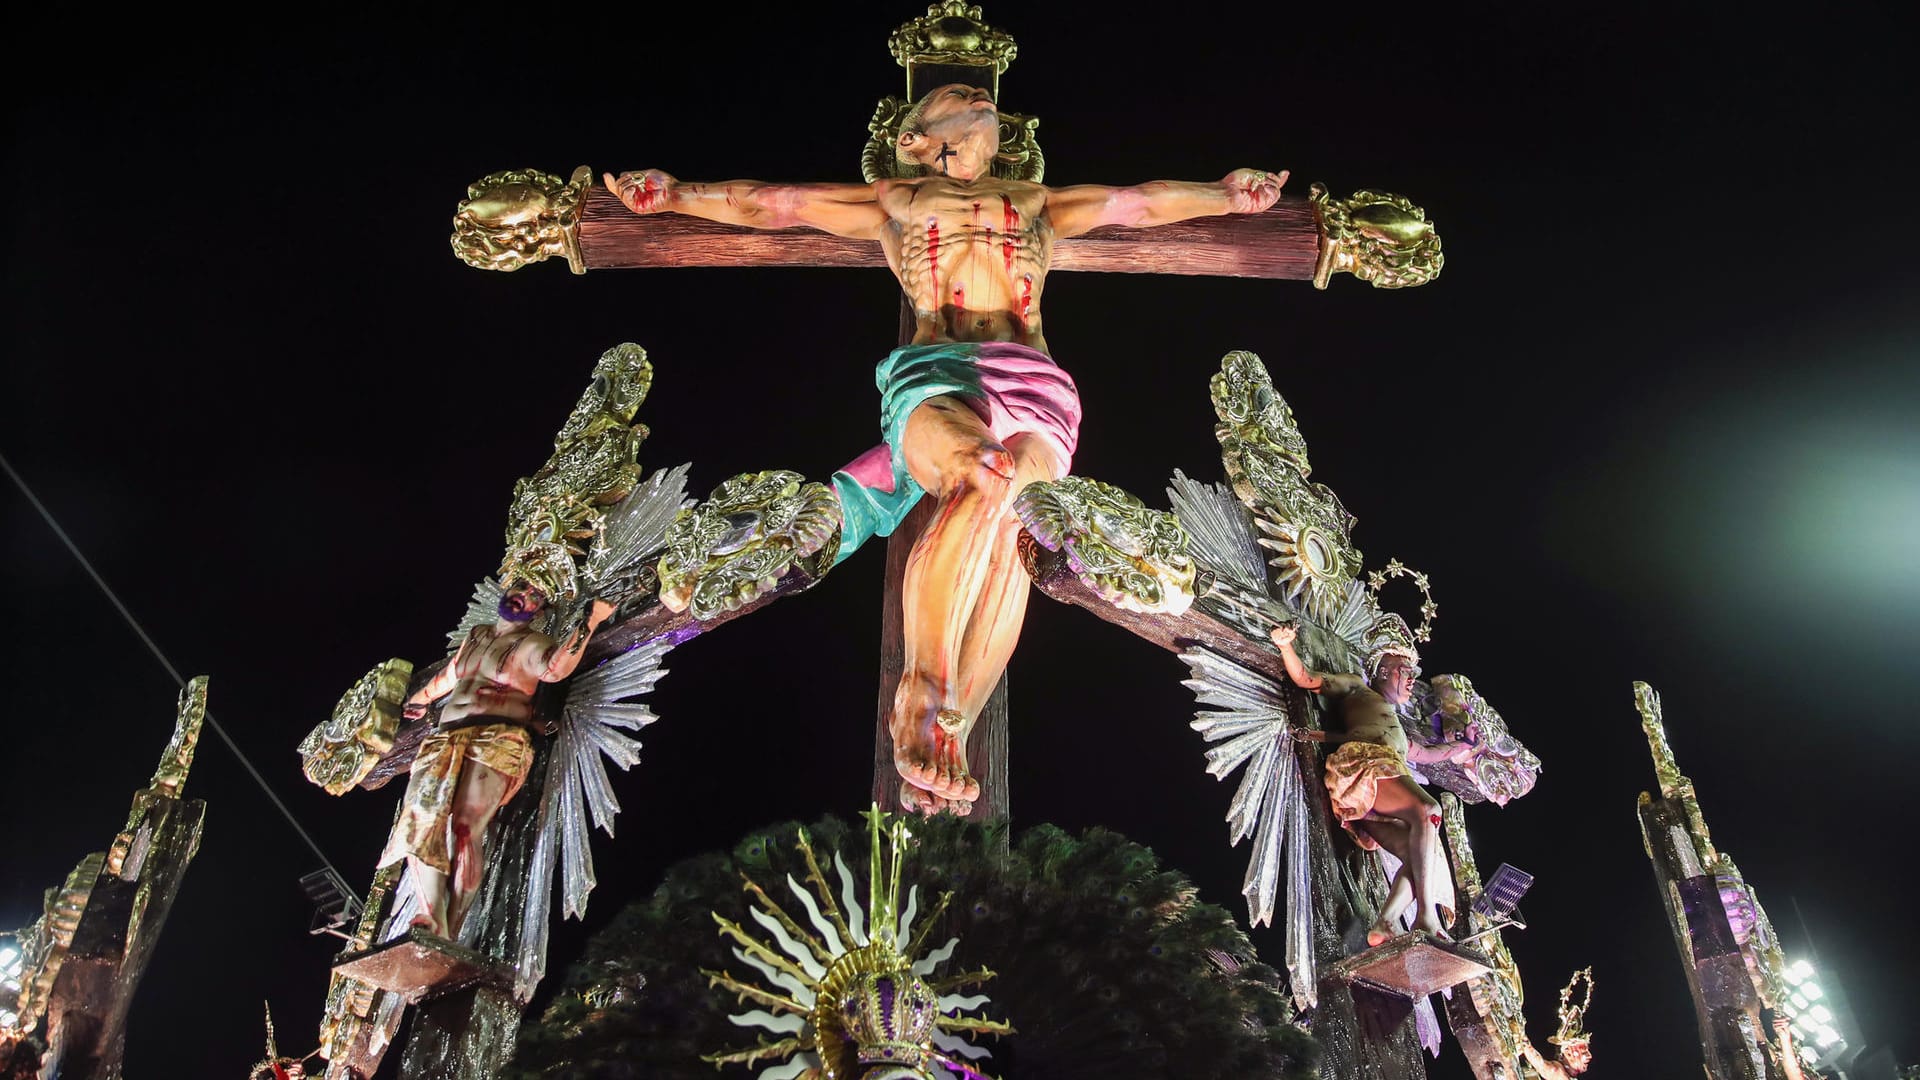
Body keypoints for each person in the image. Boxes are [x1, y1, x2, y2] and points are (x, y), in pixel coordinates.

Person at [606, 82, 1287, 815]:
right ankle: (924, 688)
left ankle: (957, 713)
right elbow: (769, 203)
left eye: (977, 91)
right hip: (939, 374)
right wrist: (677, 195)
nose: (975, 94)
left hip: (1036, 382)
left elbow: (1141, 203)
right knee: (983, 473)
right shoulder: (894, 200)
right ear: (915, 136)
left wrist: (1225, 195)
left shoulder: (1035, 202)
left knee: (1021, 529)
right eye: (954, 93)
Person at [379, 581, 614, 938]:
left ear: (540, 610)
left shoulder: (533, 644)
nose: (526, 596)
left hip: (497, 739)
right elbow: (454, 673)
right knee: (419, 823)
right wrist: (423, 698)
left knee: (463, 830)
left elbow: (554, 670)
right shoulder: (477, 635)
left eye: (536, 595)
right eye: (522, 587)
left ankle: (448, 931)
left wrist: (590, 622)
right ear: (507, 589)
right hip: (445, 739)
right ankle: (433, 918)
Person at [1268, 622, 1480, 944]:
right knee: (1429, 811)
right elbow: (1306, 679)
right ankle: (1425, 917)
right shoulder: (1358, 690)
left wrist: (1463, 746)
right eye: (1404, 670)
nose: (1411, 679)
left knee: (1416, 856)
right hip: (1365, 769)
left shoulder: (1397, 729)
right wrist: (1285, 646)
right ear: (1382, 671)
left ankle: (1387, 920)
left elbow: (1427, 754)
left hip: (1381, 795)